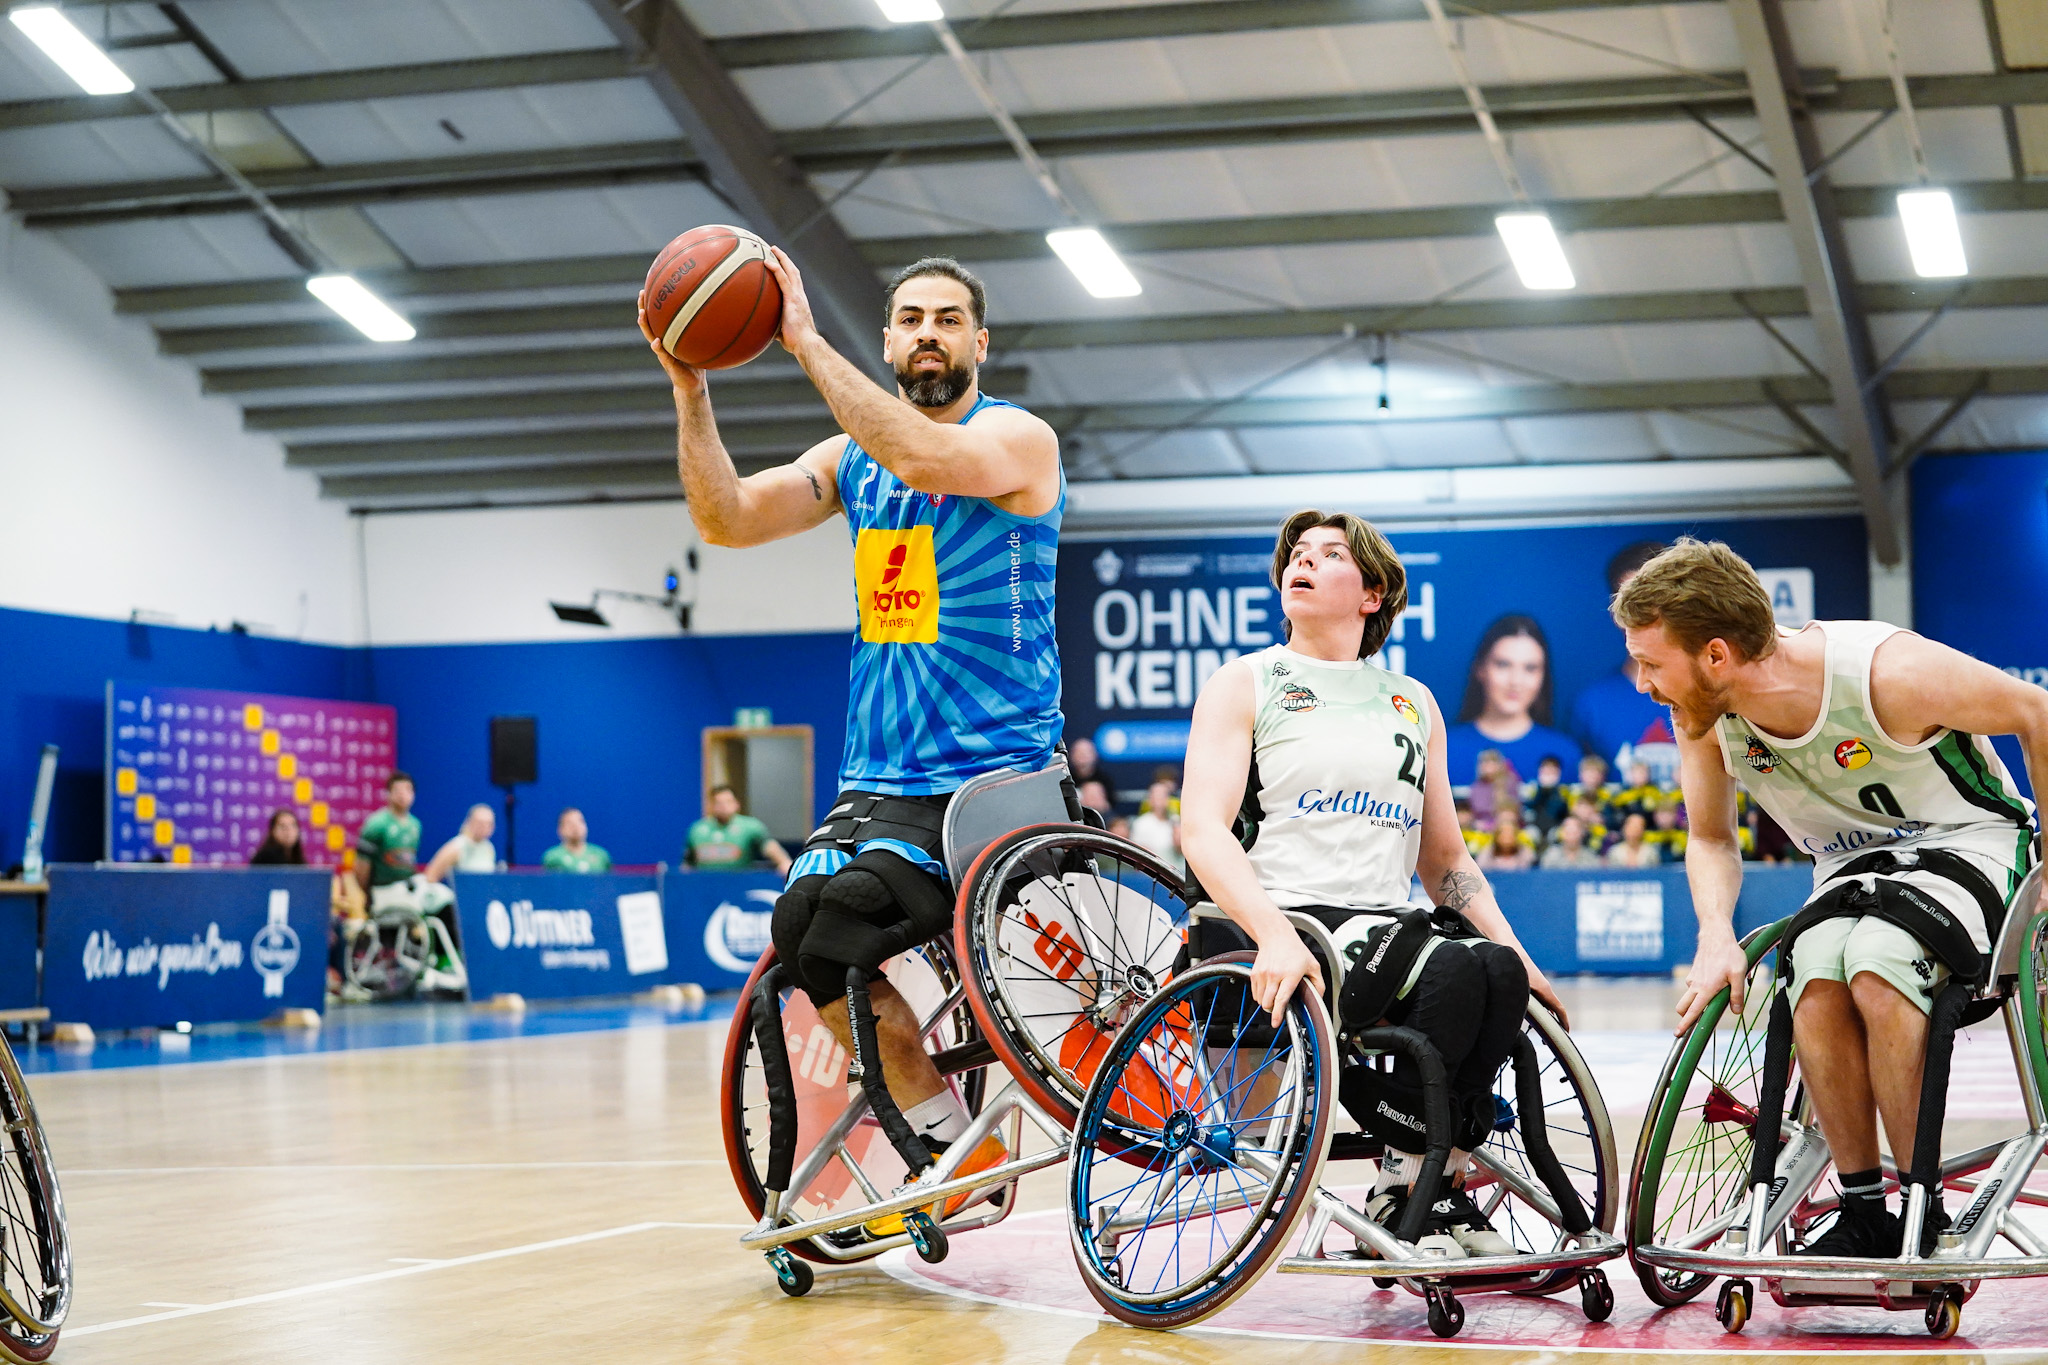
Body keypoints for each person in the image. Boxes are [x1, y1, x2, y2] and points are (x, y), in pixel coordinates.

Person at [640, 249, 1063, 1232]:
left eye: (946, 319)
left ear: (979, 341)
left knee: (844, 924)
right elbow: (726, 518)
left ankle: (960, 1154)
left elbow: (927, 460)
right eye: (910, 319)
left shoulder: (1017, 437)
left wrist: (800, 341)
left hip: (989, 781)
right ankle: (953, 1140)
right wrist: (691, 390)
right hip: (874, 776)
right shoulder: (848, 459)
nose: (927, 334)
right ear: (888, 340)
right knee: (803, 934)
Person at [1616, 537, 2045, 1258]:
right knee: (1812, 973)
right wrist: (1715, 932)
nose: (1641, 683)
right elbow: (1712, 838)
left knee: (1880, 963)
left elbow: (2037, 711)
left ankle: (1923, 1205)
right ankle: (1863, 1207)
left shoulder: (1886, 673)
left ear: (1716, 655)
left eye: (1651, 664)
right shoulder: (1704, 718)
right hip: (1852, 870)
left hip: (1971, 841)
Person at [1181, 508, 1567, 1261]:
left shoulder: (1413, 700)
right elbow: (1203, 830)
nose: (1303, 560)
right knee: (1452, 969)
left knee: (1494, 969)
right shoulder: (1247, 681)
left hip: (1387, 923)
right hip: (1289, 917)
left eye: (1330, 554)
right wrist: (1272, 933)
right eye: (1298, 552)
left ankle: (1432, 1178)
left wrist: (1521, 954)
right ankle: (1406, 1179)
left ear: (1372, 594)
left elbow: (1445, 861)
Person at [1570, 540, 1680, 786]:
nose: (1641, 613)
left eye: (1652, 597)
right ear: (1613, 612)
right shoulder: (1591, 705)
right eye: (1628, 600)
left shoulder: (1714, 692)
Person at [1446, 614, 1583, 787]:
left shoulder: (1566, 754)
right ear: (1480, 669)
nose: (1516, 681)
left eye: (1530, 668)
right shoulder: (1444, 750)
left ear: (1543, 676)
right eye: (1503, 664)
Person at [356, 772, 462, 983]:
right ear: (388, 794)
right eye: (397, 791)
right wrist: (368, 896)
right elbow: (361, 869)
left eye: (408, 790)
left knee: (447, 900)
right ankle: (424, 962)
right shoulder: (376, 825)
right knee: (426, 909)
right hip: (384, 890)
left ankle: (445, 962)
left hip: (408, 887)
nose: (403, 795)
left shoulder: (415, 825)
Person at [685, 785, 791, 873]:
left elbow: (770, 848)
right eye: (718, 802)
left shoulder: (751, 826)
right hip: (705, 884)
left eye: (728, 802)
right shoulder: (697, 830)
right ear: (711, 805)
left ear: (736, 804)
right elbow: (687, 864)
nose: (723, 806)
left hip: (739, 883)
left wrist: (784, 863)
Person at [423, 804, 498, 882]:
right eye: (480, 823)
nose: (485, 827)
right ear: (470, 822)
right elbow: (430, 876)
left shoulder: (489, 848)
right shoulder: (456, 846)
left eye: (489, 824)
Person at [1127, 780, 1182, 874]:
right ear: (1150, 799)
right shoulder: (1141, 823)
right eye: (1156, 796)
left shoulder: (1176, 821)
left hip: (1177, 872)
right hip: (1152, 873)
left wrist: (1178, 843)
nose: (1159, 800)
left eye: (1163, 796)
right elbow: (1138, 855)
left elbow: (1182, 852)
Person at [542, 808, 612, 874]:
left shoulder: (601, 855)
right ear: (560, 829)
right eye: (570, 823)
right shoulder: (552, 857)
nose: (576, 826)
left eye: (580, 821)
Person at [1475, 807, 1536, 871]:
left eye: (1510, 834)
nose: (1507, 838)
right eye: (1503, 834)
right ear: (1496, 836)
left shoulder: (1526, 853)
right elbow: (1480, 869)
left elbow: (1532, 870)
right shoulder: (1487, 853)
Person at [1526, 755, 1570, 840]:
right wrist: (1541, 790)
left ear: (1559, 772)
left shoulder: (1564, 792)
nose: (1549, 772)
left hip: (1555, 830)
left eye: (1552, 770)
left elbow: (1560, 813)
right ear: (1540, 770)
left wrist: (1552, 790)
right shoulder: (1530, 789)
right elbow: (1529, 811)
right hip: (1534, 829)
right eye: (1546, 769)